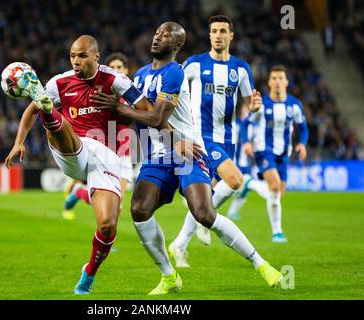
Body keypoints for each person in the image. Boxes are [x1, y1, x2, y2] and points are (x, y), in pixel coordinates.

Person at [91, 21, 282, 295]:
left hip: (188, 152)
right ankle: (169, 276)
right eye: (156, 33)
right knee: (139, 211)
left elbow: (157, 117)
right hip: (158, 156)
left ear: (177, 45)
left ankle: (260, 263)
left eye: (166, 35)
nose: (158, 37)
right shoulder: (141, 75)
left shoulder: (175, 73)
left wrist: (121, 110)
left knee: (204, 214)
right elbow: (130, 113)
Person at [4, 35, 155, 294]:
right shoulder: (60, 82)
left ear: (96, 56)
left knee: (108, 225)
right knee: (53, 117)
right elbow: (30, 111)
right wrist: (19, 141)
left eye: (82, 56)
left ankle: (89, 274)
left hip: (106, 156)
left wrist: (122, 109)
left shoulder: (116, 81)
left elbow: (149, 111)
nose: (76, 61)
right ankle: (49, 109)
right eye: (73, 56)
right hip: (73, 150)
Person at [169, 15, 263, 267]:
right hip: (201, 137)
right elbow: (174, 92)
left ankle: (181, 242)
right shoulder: (194, 65)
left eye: (223, 30)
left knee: (204, 198)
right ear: (209, 35)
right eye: (214, 31)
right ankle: (199, 228)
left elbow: (248, 104)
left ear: (231, 35)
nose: (218, 35)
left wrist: (254, 108)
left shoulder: (241, 69)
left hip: (227, 139)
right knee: (235, 181)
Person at [62, 52, 134, 220]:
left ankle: (80, 192)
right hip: (104, 151)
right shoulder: (99, 93)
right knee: (108, 203)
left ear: (127, 70)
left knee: (117, 204)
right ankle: (80, 192)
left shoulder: (132, 92)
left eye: (120, 67)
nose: (117, 70)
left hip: (124, 153)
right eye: (113, 67)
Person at [242, 65, 309, 242]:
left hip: (283, 154)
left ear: (286, 81)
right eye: (274, 78)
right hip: (264, 151)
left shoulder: (294, 105)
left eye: (281, 78)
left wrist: (302, 144)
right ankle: (277, 232)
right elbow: (245, 123)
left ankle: (250, 184)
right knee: (274, 186)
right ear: (269, 82)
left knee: (279, 193)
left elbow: (303, 127)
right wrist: (246, 142)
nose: (277, 81)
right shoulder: (262, 104)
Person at [226, 104, 270, 221]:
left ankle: (232, 212)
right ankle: (265, 191)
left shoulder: (255, 128)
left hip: (247, 164)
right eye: (247, 111)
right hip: (235, 162)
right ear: (241, 113)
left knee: (243, 191)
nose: (249, 114)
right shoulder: (235, 126)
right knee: (245, 184)